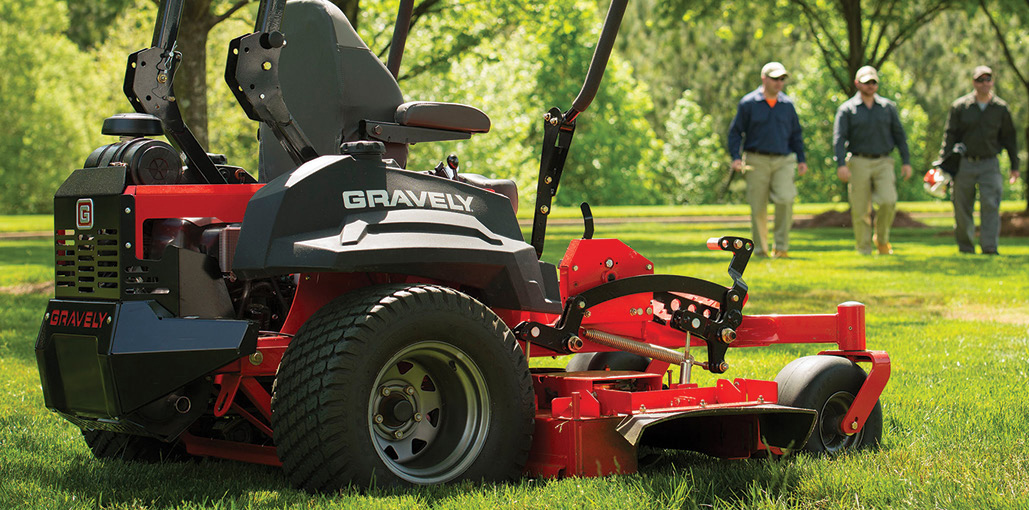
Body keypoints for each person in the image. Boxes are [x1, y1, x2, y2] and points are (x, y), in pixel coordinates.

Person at [728, 62, 808, 258]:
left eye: (782, 79)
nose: (779, 83)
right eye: (775, 79)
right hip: (756, 160)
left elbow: (796, 134)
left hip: (783, 160)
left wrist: (801, 159)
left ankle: (781, 248)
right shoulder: (748, 103)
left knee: (786, 199)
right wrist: (736, 158)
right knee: (758, 207)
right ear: (764, 78)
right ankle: (761, 250)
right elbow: (736, 132)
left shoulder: (787, 105)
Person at [833, 65, 913, 255]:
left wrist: (906, 161)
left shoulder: (888, 108)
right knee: (860, 209)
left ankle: (882, 240)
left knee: (888, 201)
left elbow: (900, 136)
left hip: (884, 161)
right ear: (857, 83)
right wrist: (841, 165)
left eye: (873, 82)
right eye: (866, 82)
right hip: (858, 161)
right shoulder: (847, 109)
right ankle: (864, 248)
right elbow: (839, 139)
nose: (870, 85)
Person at [940, 65, 1020, 255]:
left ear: (992, 82)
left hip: (990, 163)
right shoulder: (960, 106)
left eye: (988, 79)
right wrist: (943, 163)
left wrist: (1014, 166)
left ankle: (989, 247)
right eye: (980, 80)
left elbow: (1009, 138)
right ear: (973, 82)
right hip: (964, 163)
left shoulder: (1000, 108)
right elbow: (949, 136)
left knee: (991, 205)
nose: (984, 83)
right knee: (961, 207)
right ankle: (966, 247)